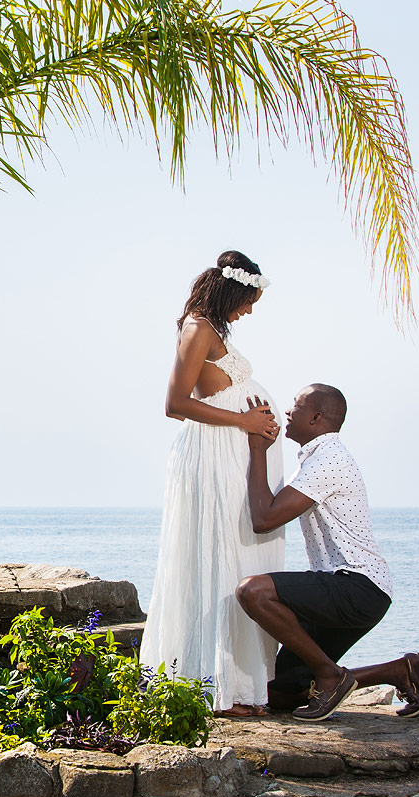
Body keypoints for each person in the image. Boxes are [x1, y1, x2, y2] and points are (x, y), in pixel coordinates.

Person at [139, 250, 286, 717]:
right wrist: (244, 421)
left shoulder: (217, 330)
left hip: (234, 455)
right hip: (211, 455)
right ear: (231, 291)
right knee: (219, 558)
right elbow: (175, 403)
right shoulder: (197, 329)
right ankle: (218, 690)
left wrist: (251, 427)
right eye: (247, 302)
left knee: (241, 555)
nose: (248, 311)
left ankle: (243, 684)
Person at [236, 385, 419, 721]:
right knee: (280, 693)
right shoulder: (316, 459)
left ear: (316, 417)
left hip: (357, 587)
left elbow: (264, 518)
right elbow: (269, 509)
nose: (289, 411)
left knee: (252, 591)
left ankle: (330, 675)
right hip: (353, 589)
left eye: (296, 405)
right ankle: (398, 670)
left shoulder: (329, 461)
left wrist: (258, 449)